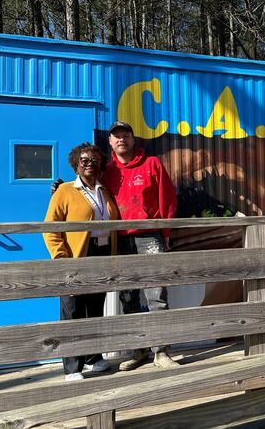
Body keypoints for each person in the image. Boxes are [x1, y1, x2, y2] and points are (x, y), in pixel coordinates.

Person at [104, 121, 179, 370]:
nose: (121, 140)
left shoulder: (152, 164)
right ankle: (140, 350)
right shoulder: (106, 170)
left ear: (133, 140)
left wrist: (165, 232)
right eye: (116, 137)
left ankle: (161, 352)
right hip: (120, 239)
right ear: (110, 142)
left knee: (156, 294)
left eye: (126, 135)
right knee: (128, 297)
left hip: (149, 236)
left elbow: (167, 199)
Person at [43, 143, 120, 381]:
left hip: (103, 255)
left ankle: (93, 357)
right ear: (76, 164)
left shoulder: (104, 191)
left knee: (95, 309)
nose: (90, 164)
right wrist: (61, 258)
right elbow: (51, 228)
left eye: (94, 160)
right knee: (73, 311)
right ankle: (72, 367)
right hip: (76, 257)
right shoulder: (65, 190)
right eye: (85, 160)